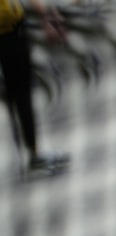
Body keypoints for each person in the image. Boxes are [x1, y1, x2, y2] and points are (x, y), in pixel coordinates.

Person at [0, 0, 69, 176]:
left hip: (14, 32)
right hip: (8, 34)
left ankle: (34, 153)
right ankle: (34, 154)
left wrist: (47, 14)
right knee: (20, 94)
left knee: (22, 95)